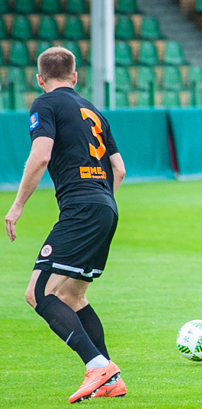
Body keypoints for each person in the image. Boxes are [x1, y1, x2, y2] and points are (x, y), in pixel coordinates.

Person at [4, 47, 127, 403]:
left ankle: (98, 366)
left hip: (80, 207)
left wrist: (17, 205)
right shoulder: (94, 111)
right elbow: (119, 169)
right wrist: (102, 203)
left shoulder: (45, 104)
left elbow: (41, 155)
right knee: (72, 296)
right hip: (106, 205)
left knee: (38, 293)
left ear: (40, 79)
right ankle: (110, 378)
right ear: (75, 77)